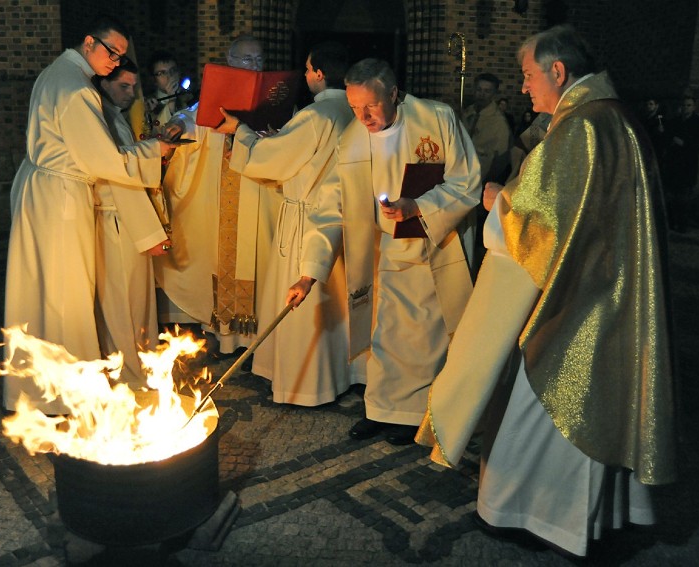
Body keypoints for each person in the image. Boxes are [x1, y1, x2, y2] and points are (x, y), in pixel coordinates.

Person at [417, 25, 677, 558]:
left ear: (558, 72)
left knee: (540, 408)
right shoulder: (618, 120)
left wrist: (496, 203)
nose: (523, 86)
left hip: (571, 308)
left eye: (529, 75)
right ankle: (601, 517)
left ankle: (527, 515)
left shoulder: (580, 127)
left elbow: (539, 225)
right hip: (612, 294)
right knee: (602, 404)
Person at [287, 58, 481, 445]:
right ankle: (381, 410)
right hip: (378, 253)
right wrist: (309, 271)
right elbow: (331, 206)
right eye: (355, 108)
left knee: (423, 338)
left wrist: (418, 206)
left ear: (392, 93)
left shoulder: (435, 118)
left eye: (371, 107)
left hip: (431, 248)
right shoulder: (352, 139)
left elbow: (468, 180)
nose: (363, 117)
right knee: (383, 336)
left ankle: (418, 416)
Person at [4, 15, 172, 413]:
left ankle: (36, 389)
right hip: (62, 193)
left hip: (41, 186)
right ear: (88, 42)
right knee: (68, 294)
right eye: (112, 52)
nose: (115, 62)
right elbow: (102, 160)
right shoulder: (77, 88)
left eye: (122, 56)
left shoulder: (54, 73)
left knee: (40, 289)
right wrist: (155, 153)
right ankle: (70, 395)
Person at [213, 41, 355, 406]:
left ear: (320, 74)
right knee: (333, 305)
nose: (305, 75)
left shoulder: (316, 115)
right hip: (341, 220)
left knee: (304, 308)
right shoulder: (352, 111)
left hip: (307, 218)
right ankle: (333, 376)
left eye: (308, 69)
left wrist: (239, 130)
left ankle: (302, 385)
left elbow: (272, 160)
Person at [155, 34, 282, 359]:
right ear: (229, 59)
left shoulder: (272, 97)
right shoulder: (218, 94)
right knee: (219, 256)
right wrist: (177, 124)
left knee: (259, 261)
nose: (252, 66)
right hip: (222, 192)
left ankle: (260, 343)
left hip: (258, 192)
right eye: (245, 59)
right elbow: (193, 114)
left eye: (258, 60)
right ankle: (225, 336)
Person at [93, 60, 172, 389]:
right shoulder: (102, 119)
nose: (130, 94)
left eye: (133, 87)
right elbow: (118, 174)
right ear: (104, 84)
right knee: (123, 303)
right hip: (118, 220)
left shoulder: (114, 116)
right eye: (123, 86)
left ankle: (138, 370)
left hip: (125, 218)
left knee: (135, 302)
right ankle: (130, 376)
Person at [461, 73, 512, 275]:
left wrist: (486, 181)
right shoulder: (468, 113)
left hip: (481, 180)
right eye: (479, 90)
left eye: (487, 91)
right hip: (463, 177)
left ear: (494, 94)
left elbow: (501, 158)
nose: (482, 95)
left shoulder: (498, 122)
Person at [662, 94, 699, 232]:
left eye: (688, 105)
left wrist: (684, 144)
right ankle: (671, 222)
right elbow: (666, 139)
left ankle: (682, 224)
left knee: (684, 195)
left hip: (688, 164)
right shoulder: (673, 122)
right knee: (670, 194)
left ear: (694, 107)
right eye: (683, 105)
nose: (685, 108)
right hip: (673, 163)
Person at [144, 51, 191, 130]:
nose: (169, 76)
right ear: (154, 80)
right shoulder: (149, 104)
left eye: (173, 70)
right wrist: (171, 100)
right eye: (161, 73)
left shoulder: (190, 97)